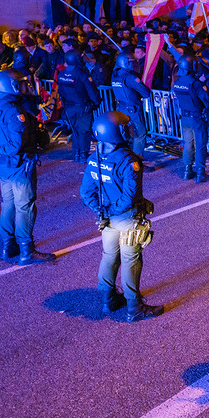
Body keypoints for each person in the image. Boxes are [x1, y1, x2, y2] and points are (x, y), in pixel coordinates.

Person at [81, 111, 163, 321]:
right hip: (126, 218)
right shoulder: (129, 161)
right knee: (130, 260)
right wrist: (113, 211)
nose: (128, 130)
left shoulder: (95, 157)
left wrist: (101, 210)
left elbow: (86, 192)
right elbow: (129, 197)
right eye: (124, 127)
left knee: (109, 257)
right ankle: (134, 308)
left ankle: (109, 301)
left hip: (107, 220)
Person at [0, 70, 55, 263]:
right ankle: (27, 250)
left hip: (1, 165)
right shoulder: (14, 112)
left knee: (8, 205)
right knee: (24, 207)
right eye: (19, 84)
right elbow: (15, 145)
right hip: (18, 165)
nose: (23, 86)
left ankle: (8, 246)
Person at [172, 54, 209, 183]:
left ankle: (187, 170)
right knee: (200, 144)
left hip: (184, 118)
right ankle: (200, 173)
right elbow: (207, 101)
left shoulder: (177, 82)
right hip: (197, 117)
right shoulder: (195, 84)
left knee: (188, 144)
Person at [56, 49, 100, 162]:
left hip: (69, 107)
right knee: (84, 130)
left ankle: (76, 153)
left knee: (75, 130)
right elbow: (92, 92)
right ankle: (83, 154)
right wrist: (96, 102)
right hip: (83, 107)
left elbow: (60, 92)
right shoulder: (82, 75)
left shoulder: (61, 75)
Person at [110, 50, 151, 158]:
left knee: (127, 134)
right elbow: (146, 93)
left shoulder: (115, 75)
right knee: (139, 134)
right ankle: (137, 161)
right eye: (133, 61)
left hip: (121, 108)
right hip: (133, 109)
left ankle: (126, 158)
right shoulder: (130, 77)